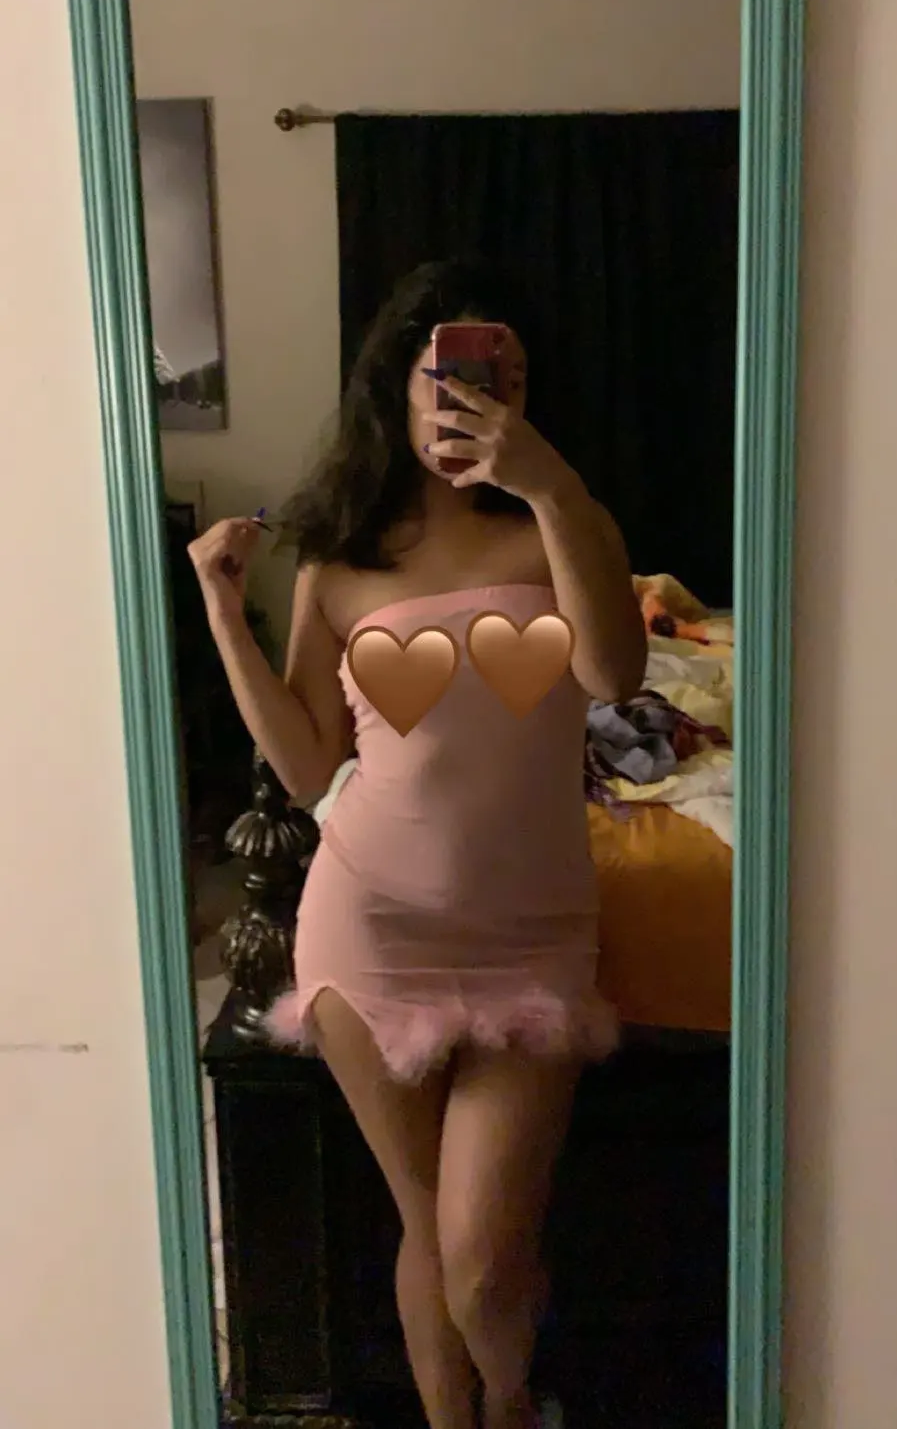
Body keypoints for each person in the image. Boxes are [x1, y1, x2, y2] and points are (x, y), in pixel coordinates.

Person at [188, 259, 647, 1429]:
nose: (474, 400)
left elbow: (611, 671)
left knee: (483, 1255)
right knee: (426, 1220)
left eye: (503, 378)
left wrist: (548, 486)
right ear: (395, 388)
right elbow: (307, 765)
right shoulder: (341, 559)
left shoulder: (565, 522)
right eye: (448, 378)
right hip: (371, 924)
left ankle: (510, 1401)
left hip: (533, 932)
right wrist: (224, 614)